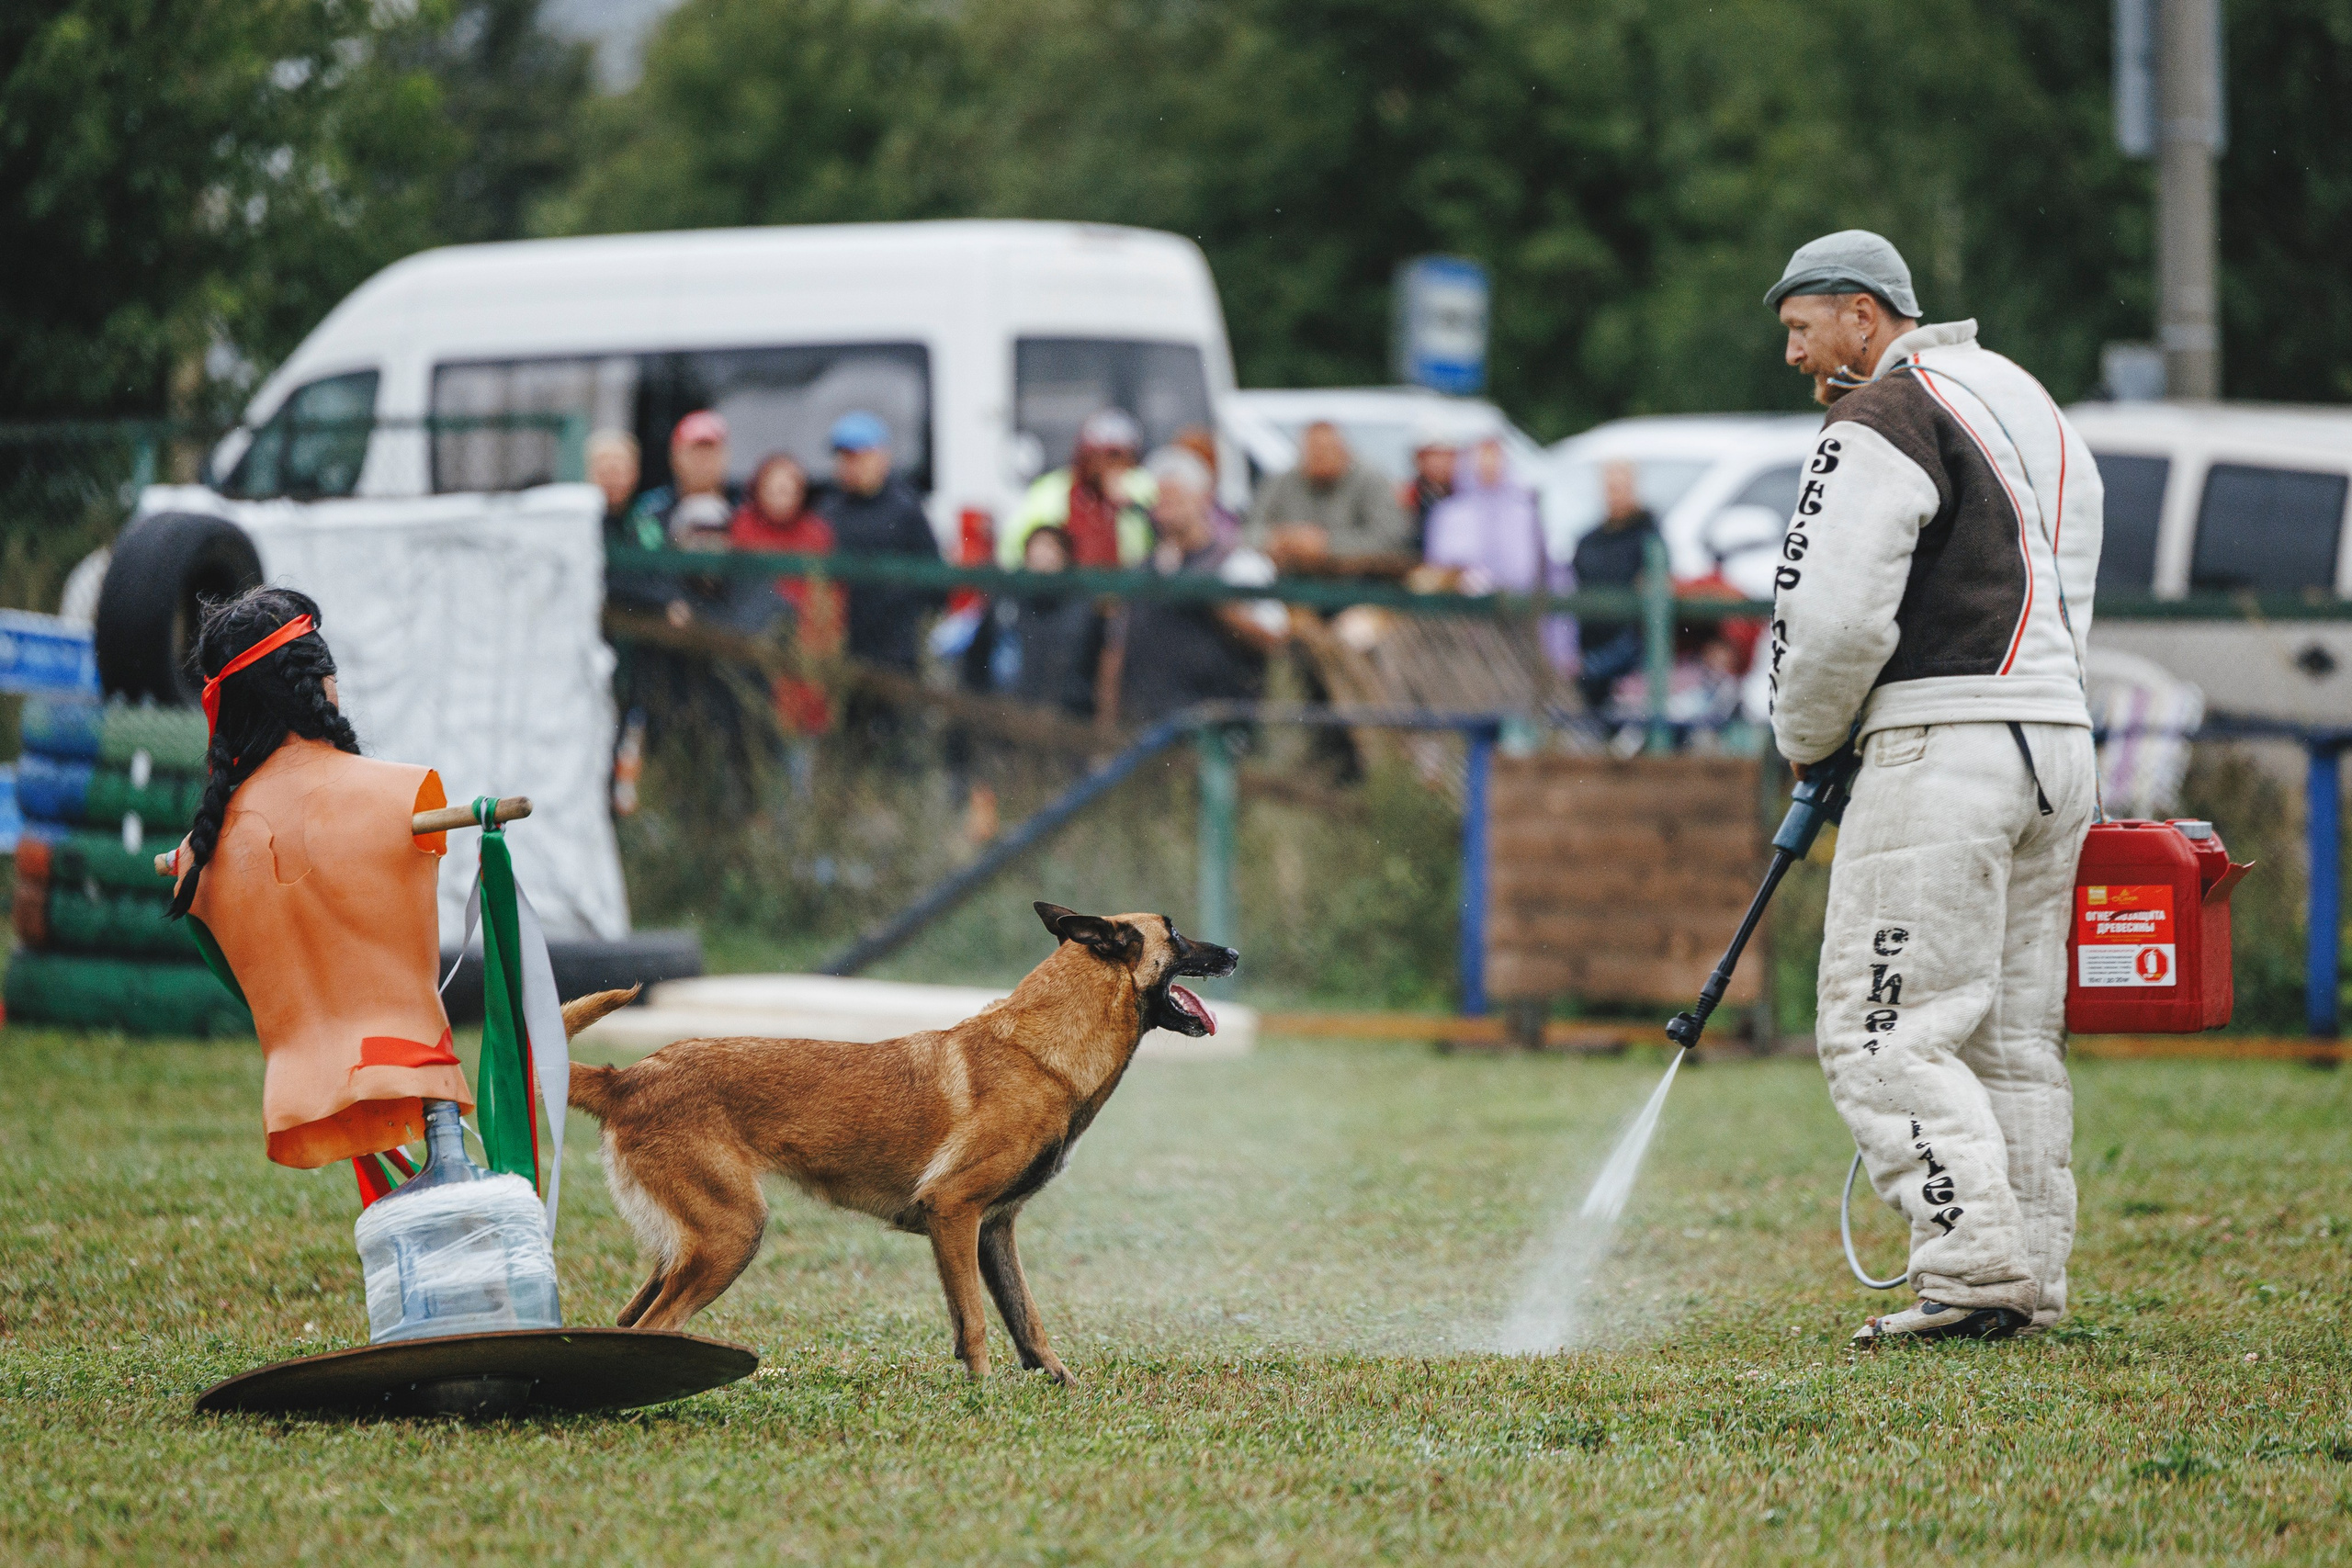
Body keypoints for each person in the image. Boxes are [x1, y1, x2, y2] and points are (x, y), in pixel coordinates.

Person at [1763, 229, 2102, 1346]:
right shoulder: (2025, 399)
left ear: (1863, 314)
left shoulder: (1883, 413)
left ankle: (1966, 1268)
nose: (1797, 357)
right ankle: (2023, 1273)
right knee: (2006, 1037)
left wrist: (1805, 736)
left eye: (1801, 328)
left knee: (1884, 1032)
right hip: (2056, 743)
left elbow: (1831, 614)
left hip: (1941, 747)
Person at [163, 588, 469, 1179]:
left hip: (294, 1096)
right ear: (323, 686)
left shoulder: (198, 859)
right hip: (417, 1070)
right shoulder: (403, 794)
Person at [1113, 447, 1289, 725]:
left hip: (1220, 722)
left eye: (1176, 498)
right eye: (1161, 500)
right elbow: (1117, 648)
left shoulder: (1239, 562)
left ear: (1204, 498)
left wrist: (1217, 603)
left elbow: (1274, 641)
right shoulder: (1143, 568)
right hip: (1147, 723)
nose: (1165, 509)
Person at [1423, 435, 1575, 672]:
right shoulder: (1449, 515)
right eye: (1482, 459)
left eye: (1495, 459)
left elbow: (1553, 577)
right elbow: (1437, 573)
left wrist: (1562, 648)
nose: (1488, 466)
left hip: (1521, 633)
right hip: (1463, 637)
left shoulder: (1526, 513)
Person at [816, 410, 942, 677]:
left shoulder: (905, 510)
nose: (849, 465)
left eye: (858, 456)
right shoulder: (827, 513)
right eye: (844, 457)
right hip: (841, 653)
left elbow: (935, 582)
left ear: (881, 457)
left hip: (896, 655)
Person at [730, 453, 842, 736]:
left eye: (789, 488)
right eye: (773, 487)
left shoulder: (817, 534)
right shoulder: (741, 527)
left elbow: (830, 600)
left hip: (805, 657)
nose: (781, 496)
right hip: (752, 653)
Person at [1001, 409, 1157, 570]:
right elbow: (1013, 547)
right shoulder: (1053, 490)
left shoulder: (1143, 488)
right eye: (1100, 455)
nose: (1107, 464)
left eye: (1117, 456)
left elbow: (1162, 538)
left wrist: (1131, 505)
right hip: (1067, 590)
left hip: (1129, 590)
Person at [1246, 420, 1412, 570]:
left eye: (1327, 450)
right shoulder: (1281, 481)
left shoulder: (1371, 480)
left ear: (1344, 451)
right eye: (1314, 451)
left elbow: (1390, 539)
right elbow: (1246, 532)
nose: (1320, 457)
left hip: (1359, 583)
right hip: (1289, 583)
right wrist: (1279, 539)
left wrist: (1327, 545)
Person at [1569, 461, 1662, 715]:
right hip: (1591, 642)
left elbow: (1653, 586)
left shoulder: (1649, 536)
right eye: (1611, 487)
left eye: (1621, 487)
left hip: (1630, 647)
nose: (1615, 494)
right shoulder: (1588, 541)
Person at [1401, 423, 1457, 553]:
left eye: (1445, 456)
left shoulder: (1463, 497)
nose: (1439, 463)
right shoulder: (1407, 497)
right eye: (1432, 456)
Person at [587, 428, 642, 542]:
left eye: (618, 471)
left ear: (635, 473)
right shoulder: (577, 523)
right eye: (603, 472)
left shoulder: (649, 520)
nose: (611, 480)